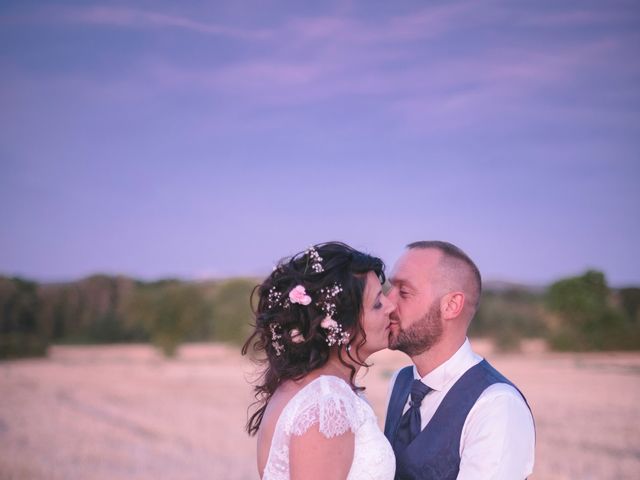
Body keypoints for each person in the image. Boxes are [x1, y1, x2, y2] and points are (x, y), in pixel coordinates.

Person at [242, 242, 397, 480]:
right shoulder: (327, 401)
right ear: (342, 326)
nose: (391, 306)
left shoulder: (301, 385)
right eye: (377, 303)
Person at [384, 241, 535, 479]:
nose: (387, 303)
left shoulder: (496, 405)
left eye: (404, 292)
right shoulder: (400, 382)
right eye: (390, 289)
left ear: (451, 305)